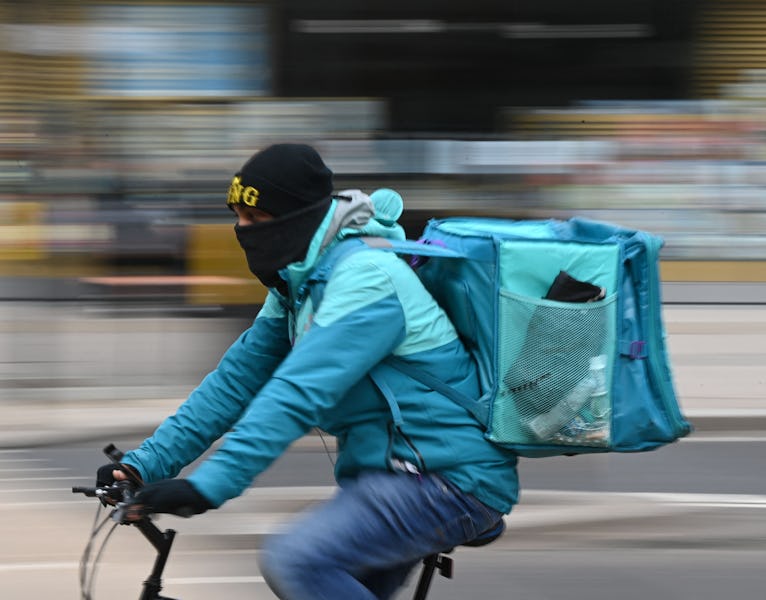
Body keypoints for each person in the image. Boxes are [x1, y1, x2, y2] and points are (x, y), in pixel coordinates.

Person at [96, 143, 519, 599]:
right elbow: (233, 384)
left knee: (294, 560)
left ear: (298, 217)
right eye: (237, 216)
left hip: (445, 480)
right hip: (385, 482)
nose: (241, 230)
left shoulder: (367, 278)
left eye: (255, 219)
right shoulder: (297, 286)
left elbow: (296, 394)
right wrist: (143, 466)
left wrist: (208, 486)